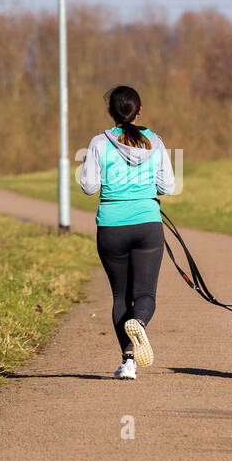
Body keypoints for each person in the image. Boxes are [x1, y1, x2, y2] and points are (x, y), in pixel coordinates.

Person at [78, 85, 176, 380]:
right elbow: (168, 187)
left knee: (121, 295)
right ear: (139, 111)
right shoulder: (155, 142)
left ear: (110, 112)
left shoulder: (98, 143)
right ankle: (140, 323)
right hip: (147, 224)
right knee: (144, 293)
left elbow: (89, 187)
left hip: (111, 226)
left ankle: (128, 362)